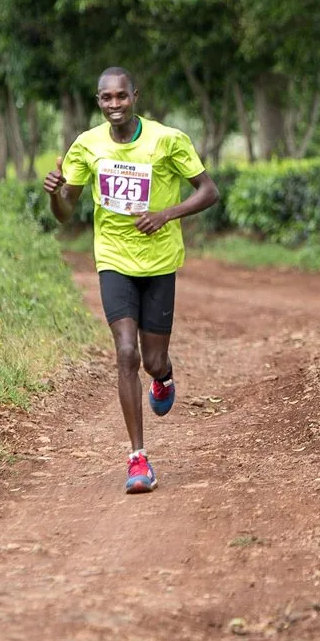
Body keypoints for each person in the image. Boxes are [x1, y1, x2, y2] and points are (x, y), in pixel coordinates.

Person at [43, 67, 219, 494]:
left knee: (153, 360)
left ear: (134, 96)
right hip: (113, 259)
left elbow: (208, 191)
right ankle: (138, 459)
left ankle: (164, 375)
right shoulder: (87, 145)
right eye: (106, 98)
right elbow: (66, 212)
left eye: (121, 96)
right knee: (126, 353)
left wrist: (165, 214)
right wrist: (56, 192)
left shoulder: (166, 140)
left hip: (158, 261)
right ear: (98, 101)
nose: (114, 105)